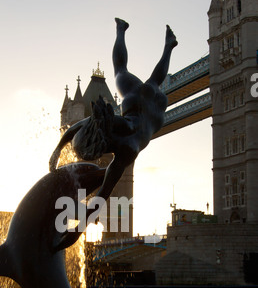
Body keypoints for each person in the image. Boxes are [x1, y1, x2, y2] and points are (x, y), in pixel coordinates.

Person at [49, 18, 177, 249]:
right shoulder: (115, 127)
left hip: (152, 111)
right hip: (142, 106)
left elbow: (101, 197)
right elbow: (84, 125)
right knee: (125, 73)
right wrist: (57, 150)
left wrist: (78, 230)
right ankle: (127, 32)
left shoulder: (126, 152)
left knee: (149, 81)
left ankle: (166, 45)